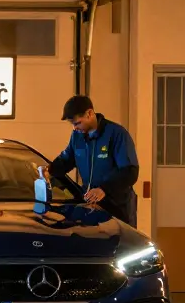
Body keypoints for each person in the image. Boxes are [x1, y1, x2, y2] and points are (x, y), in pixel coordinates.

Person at [46, 95, 140, 227]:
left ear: (89, 113)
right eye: (72, 124)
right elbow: (66, 160)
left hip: (117, 208)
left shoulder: (116, 134)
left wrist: (104, 189)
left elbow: (130, 172)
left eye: (77, 123)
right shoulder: (77, 136)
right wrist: (49, 170)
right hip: (90, 207)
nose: (74, 128)